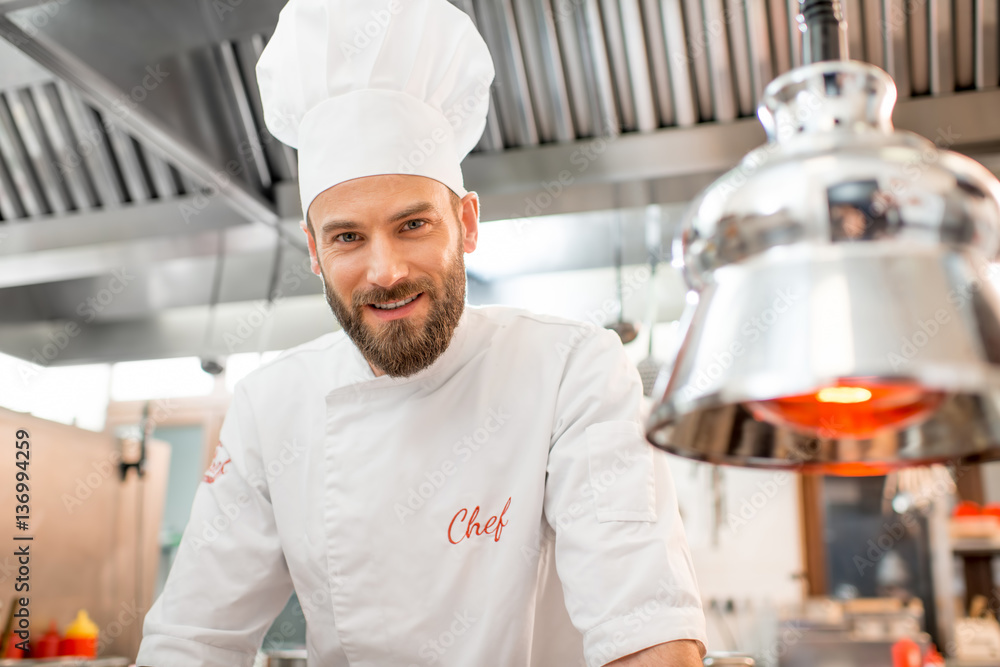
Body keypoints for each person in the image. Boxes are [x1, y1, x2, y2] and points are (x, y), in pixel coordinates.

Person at [135, 0, 707, 665]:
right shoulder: (270, 409)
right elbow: (192, 639)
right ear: (314, 251)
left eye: (413, 225)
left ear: (466, 223)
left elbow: (646, 630)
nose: (385, 271)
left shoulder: (572, 370)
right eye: (348, 236)